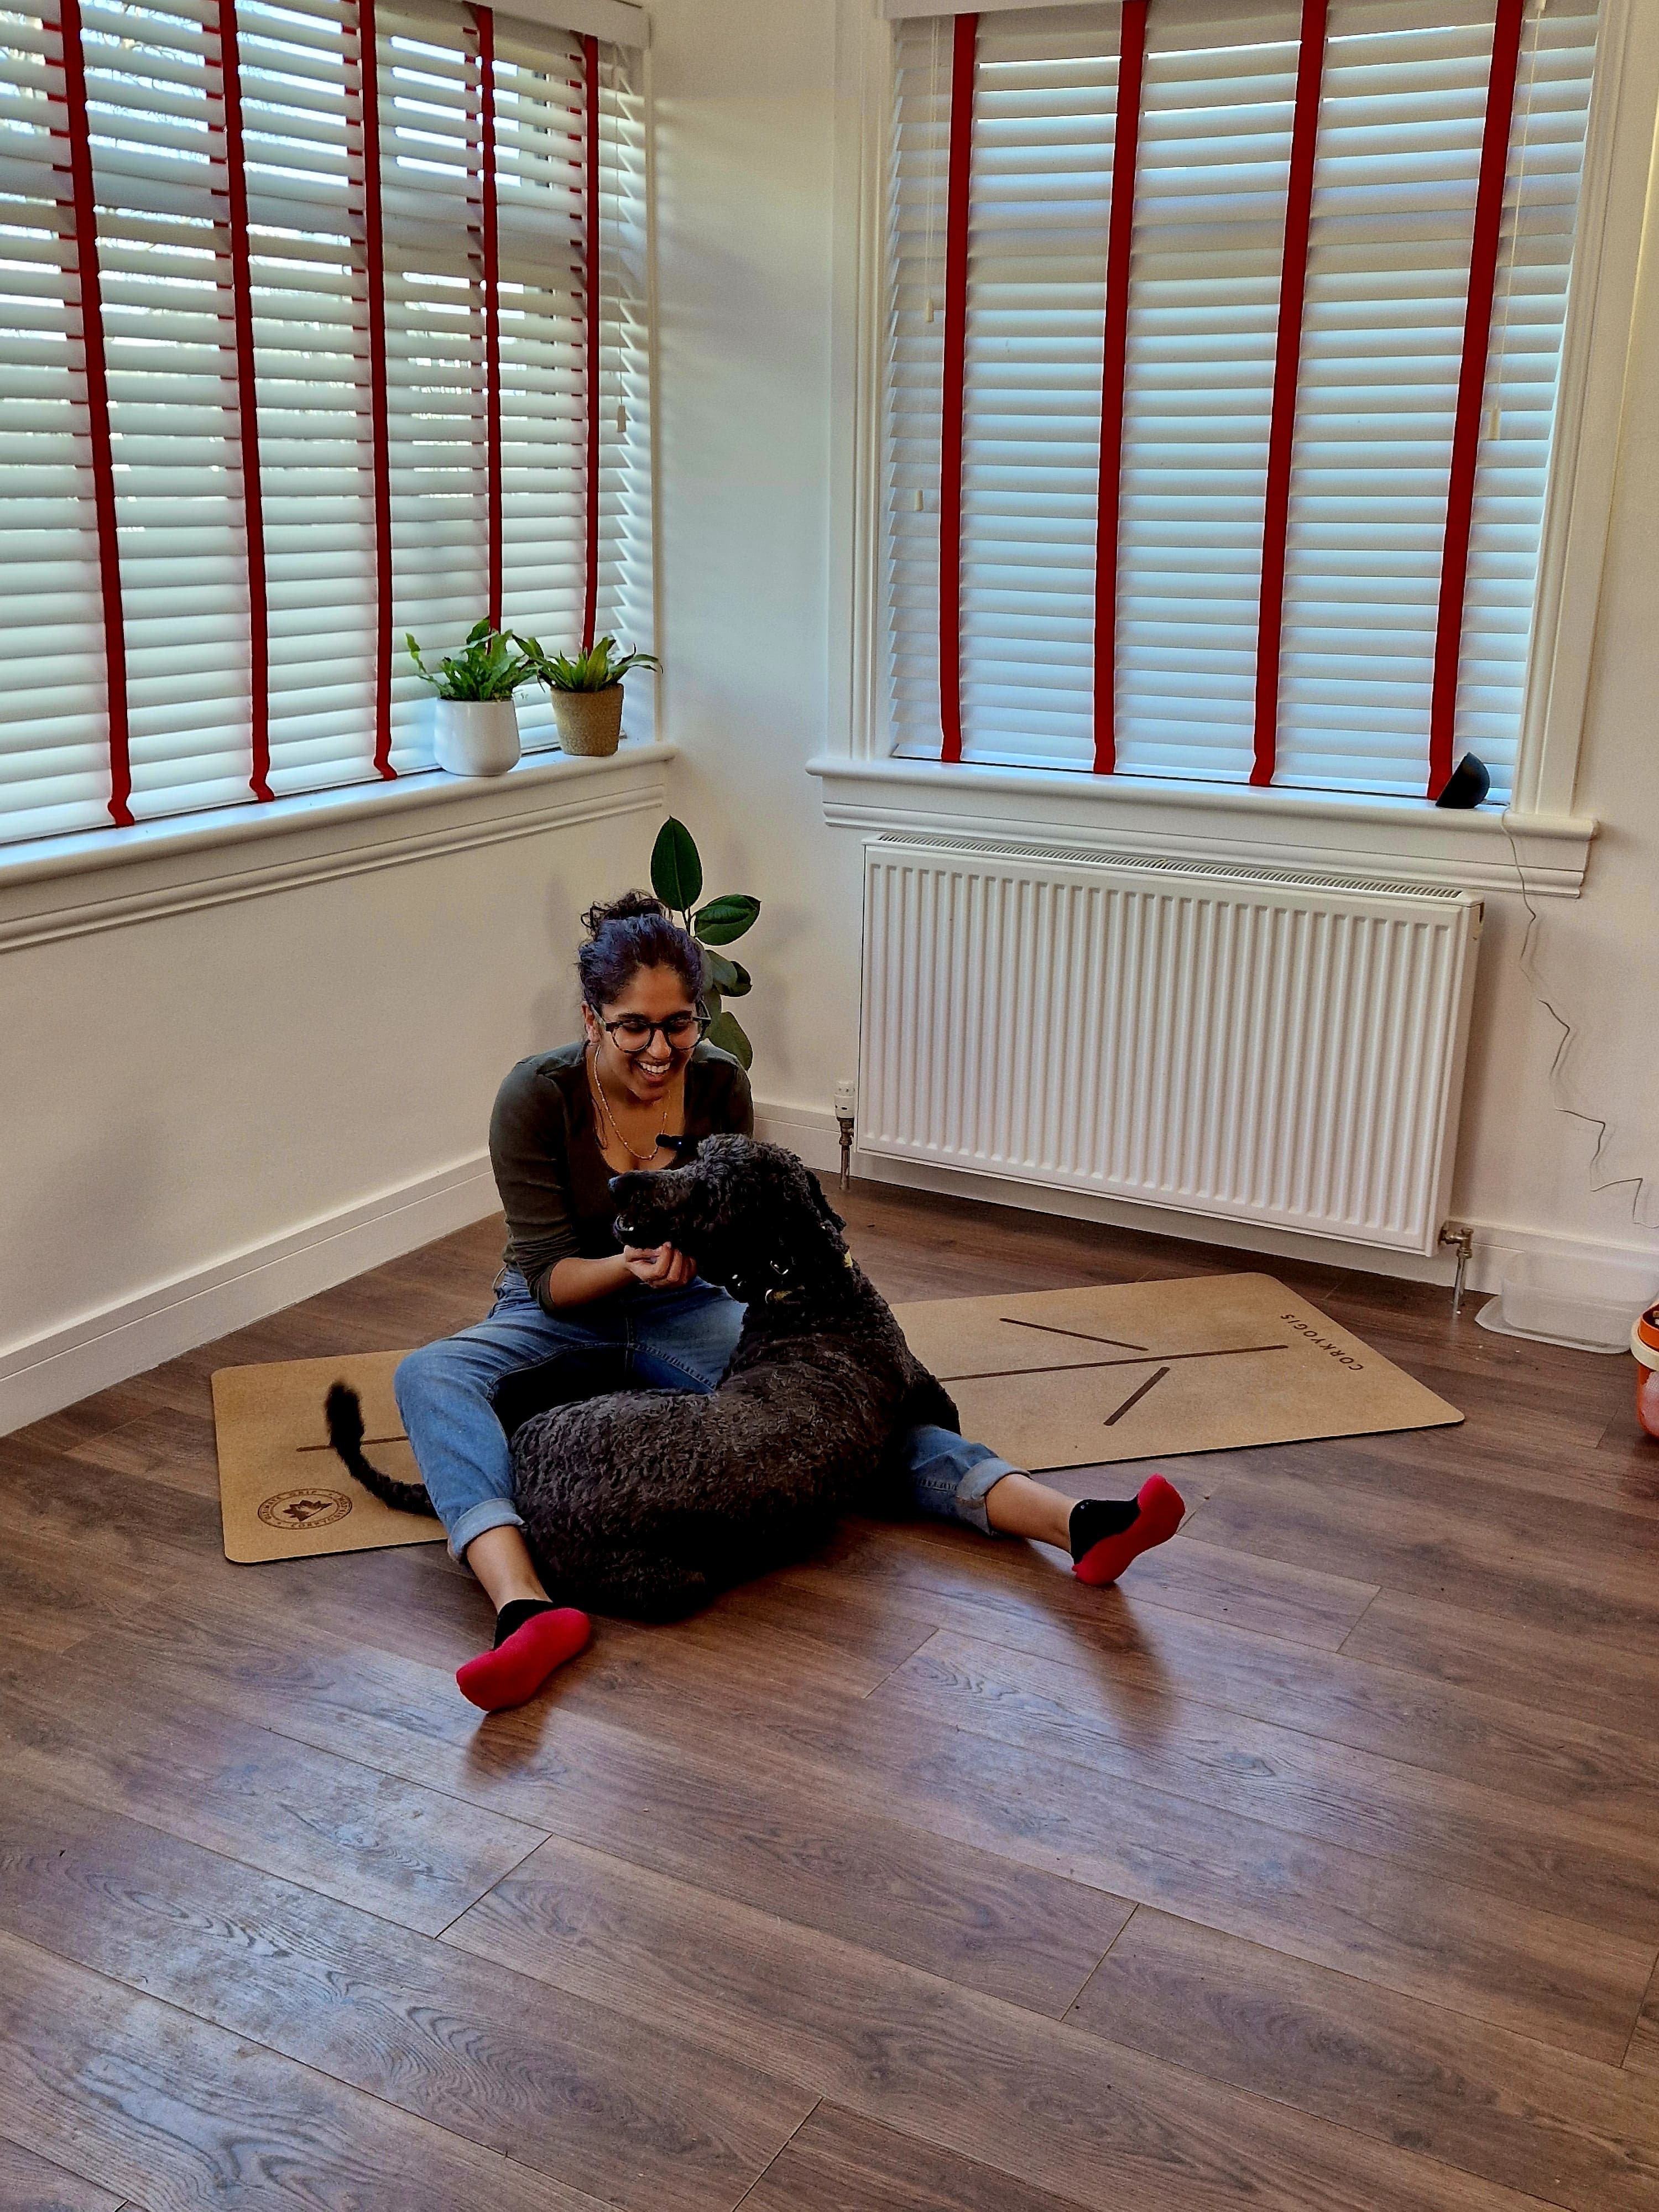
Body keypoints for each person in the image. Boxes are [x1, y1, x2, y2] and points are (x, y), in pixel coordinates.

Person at [395, 892, 1184, 1710]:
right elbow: (549, 1273)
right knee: (427, 1379)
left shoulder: (719, 1083)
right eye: (635, 1025)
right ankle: (523, 1605)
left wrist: (690, 1261)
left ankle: (1074, 1524)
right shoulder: (535, 1097)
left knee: (838, 1408)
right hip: (555, 1306)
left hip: (683, 1302)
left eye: (680, 1022)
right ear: (592, 1018)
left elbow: (733, 1223)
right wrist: (630, 1268)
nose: (661, 1047)